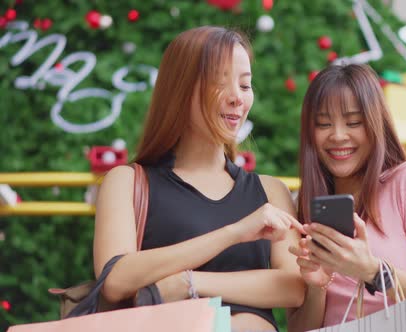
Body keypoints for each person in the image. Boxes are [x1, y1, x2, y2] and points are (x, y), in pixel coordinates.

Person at [93, 26, 305, 331]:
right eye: (220, 82)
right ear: (180, 90)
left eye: (245, 85)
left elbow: (293, 286)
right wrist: (234, 233)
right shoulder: (128, 182)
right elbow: (115, 280)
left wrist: (189, 283)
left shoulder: (270, 191)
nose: (237, 97)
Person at [287, 64, 406, 330]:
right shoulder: (308, 205)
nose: (338, 136)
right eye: (323, 124)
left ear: (375, 122)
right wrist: (318, 287)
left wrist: (372, 271)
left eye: (353, 122)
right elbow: (300, 328)